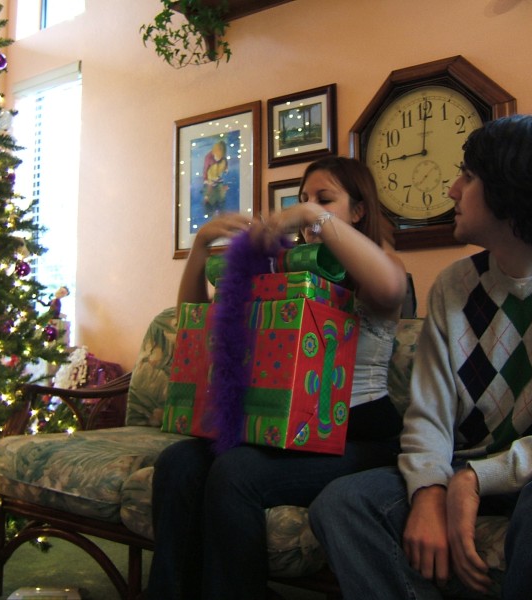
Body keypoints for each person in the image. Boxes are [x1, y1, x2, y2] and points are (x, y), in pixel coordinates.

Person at [308, 115, 532, 600]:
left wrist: (473, 479)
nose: (451, 189)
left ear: (512, 187)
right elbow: (429, 416)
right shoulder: (454, 284)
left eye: (467, 175)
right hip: (469, 465)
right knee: (342, 504)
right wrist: (429, 489)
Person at [146, 156, 408, 599]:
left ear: (359, 211)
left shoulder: (379, 263)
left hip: (361, 435)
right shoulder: (293, 268)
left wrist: (312, 216)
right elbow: (195, 317)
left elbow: (389, 288)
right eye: (304, 199)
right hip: (293, 433)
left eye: (326, 199)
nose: (309, 209)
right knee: (177, 463)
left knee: (237, 472)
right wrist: (201, 246)